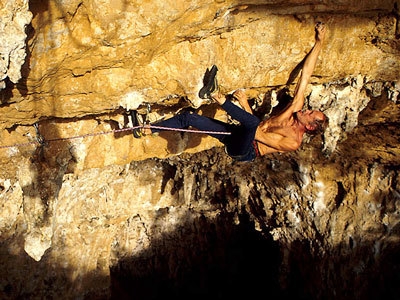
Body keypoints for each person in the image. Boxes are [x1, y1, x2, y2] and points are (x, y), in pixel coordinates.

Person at [133, 22, 328, 162]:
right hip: (239, 132)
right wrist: (320, 42)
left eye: (311, 114)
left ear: (310, 127)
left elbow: (257, 133)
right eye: (311, 110)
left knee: (251, 123)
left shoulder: (292, 142)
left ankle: (217, 95)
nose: (307, 110)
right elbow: (306, 74)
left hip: (245, 150)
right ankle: (148, 129)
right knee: (189, 118)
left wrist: (243, 105)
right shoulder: (296, 107)